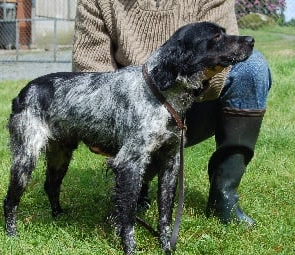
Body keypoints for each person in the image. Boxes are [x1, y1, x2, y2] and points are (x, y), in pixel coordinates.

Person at [72, 0, 271, 225]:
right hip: (129, 113)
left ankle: (224, 197)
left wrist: (179, 89)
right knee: (133, 140)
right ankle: (134, 189)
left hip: (194, 104)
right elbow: (90, 69)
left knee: (253, 67)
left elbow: (223, 57)